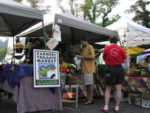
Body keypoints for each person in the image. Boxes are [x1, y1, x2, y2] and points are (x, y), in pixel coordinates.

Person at [101, 36, 127, 113]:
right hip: (119, 69)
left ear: (109, 41)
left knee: (108, 88)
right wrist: (118, 60)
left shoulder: (107, 48)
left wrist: (110, 60)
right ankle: (117, 108)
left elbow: (104, 58)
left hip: (110, 69)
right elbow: (125, 60)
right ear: (117, 41)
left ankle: (106, 107)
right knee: (118, 89)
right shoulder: (120, 49)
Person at [77, 37, 96, 105]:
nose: (81, 44)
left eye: (82, 42)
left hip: (89, 69)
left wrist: (82, 57)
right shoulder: (85, 48)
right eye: (81, 43)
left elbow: (93, 57)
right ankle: (88, 97)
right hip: (85, 69)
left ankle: (90, 99)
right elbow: (85, 57)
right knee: (87, 85)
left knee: (90, 84)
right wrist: (80, 54)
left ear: (86, 41)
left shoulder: (90, 47)